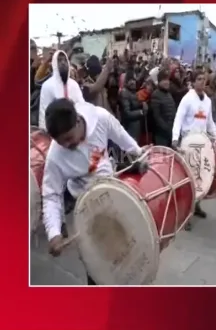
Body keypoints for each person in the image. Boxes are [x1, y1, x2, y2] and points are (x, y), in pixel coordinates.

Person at [41, 99, 142, 285]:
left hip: (113, 194)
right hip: (84, 206)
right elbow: (51, 195)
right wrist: (54, 232)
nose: (67, 145)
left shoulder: (100, 118)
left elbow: (122, 138)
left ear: (78, 121)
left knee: (125, 252)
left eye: (69, 138)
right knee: (96, 263)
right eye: (61, 142)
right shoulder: (55, 157)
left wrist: (139, 155)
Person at [172, 70, 216, 224]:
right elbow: (178, 119)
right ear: (192, 82)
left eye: (203, 79)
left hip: (203, 143)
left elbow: (210, 123)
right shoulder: (187, 99)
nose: (201, 82)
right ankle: (185, 215)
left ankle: (197, 205)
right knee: (189, 180)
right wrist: (175, 138)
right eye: (198, 79)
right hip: (189, 143)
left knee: (202, 177)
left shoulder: (207, 100)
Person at [38, 51, 85, 130]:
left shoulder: (74, 85)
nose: (63, 63)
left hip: (74, 130)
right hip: (56, 131)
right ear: (54, 63)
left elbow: (83, 106)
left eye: (65, 60)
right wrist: (45, 134)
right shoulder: (47, 85)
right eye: (59, 60)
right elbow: (44, 112)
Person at [150, 70, 176, 147]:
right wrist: (167, 129)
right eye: (164, 80)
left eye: (167, 79)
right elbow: (157, 117)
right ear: (159, 81)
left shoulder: (169, 94)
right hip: (161, 134)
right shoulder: (156, 94)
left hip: (171, 132)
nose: (167, 82)